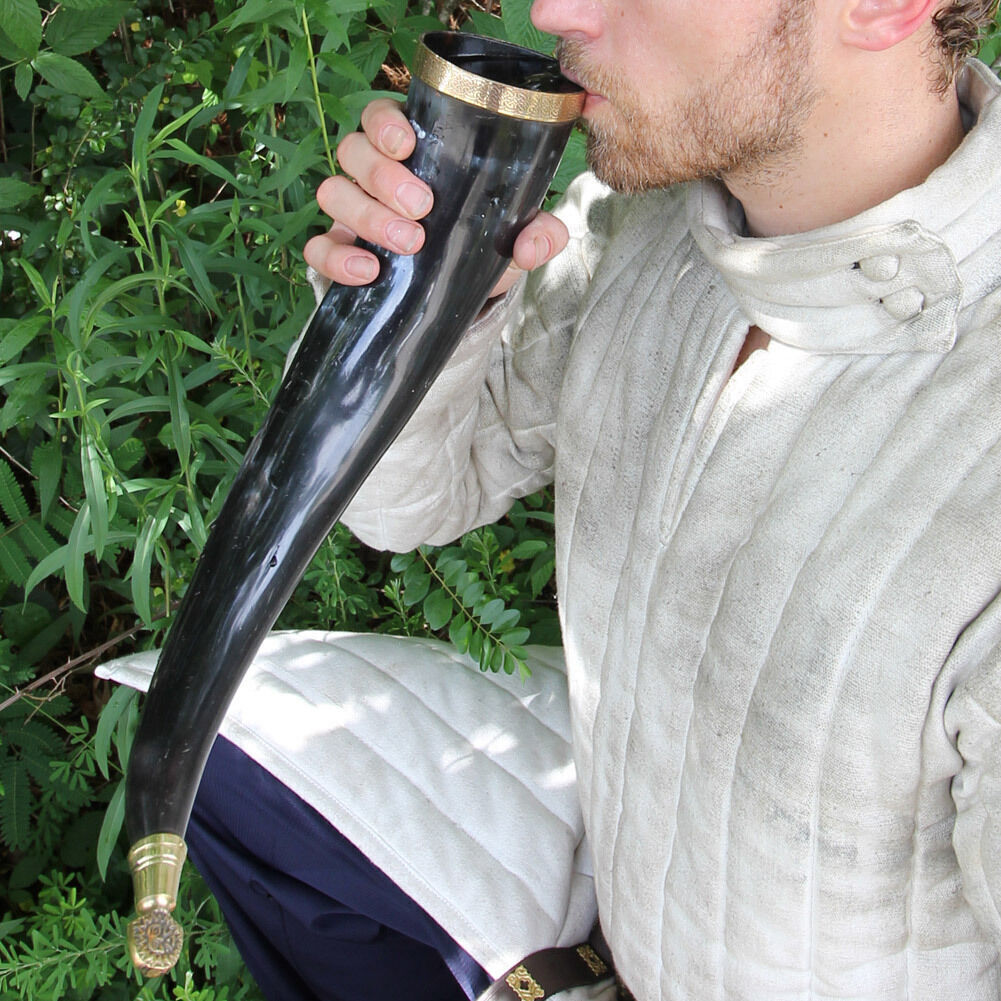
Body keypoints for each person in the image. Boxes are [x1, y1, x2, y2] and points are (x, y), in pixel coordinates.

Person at [101, 0, 1001, 997]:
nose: (552, 11)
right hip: (617, 915)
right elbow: (407, 503)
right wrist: (427, 286)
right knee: (243, 768)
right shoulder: (638, 233)